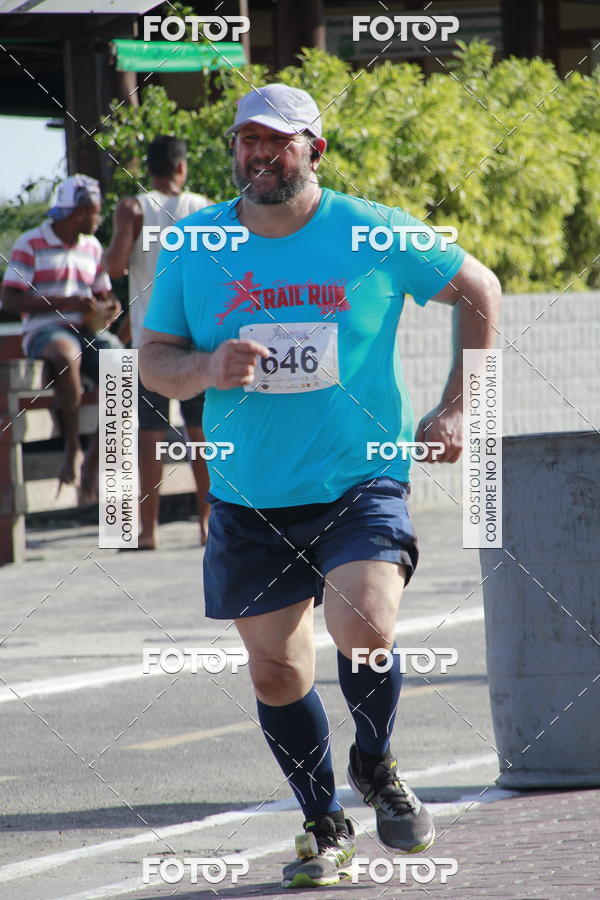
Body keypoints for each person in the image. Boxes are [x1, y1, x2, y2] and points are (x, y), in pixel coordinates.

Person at [139, 84, 501, 888]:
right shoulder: (196, 243)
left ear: (314, 150)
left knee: (365, 623)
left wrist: (459, 407)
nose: (257, 155)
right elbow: (153, 355)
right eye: (245, 141)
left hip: (358, 479)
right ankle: (321, 821)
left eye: (276, 141)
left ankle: (375, 762)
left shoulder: (369, 230)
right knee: (276, 672)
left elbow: (480, 289)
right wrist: (203, 367)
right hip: (248, 495)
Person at [103, 136, 212, 548]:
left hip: (150, 342)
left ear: (148, 170)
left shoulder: (133, 208)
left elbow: (113, 266)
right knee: (202, 433)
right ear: (182, 168)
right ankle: (206, 524)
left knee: (148, 436)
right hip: (198, 342)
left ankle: (147, 531)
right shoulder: (203, 208)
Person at [1, 174, 122, 501]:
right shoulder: (31, 243)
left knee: (123, 366)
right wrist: (65, 302)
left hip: (85, 330)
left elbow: (104, 293)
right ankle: (72, 447)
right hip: (44, 330)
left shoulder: (92, 247)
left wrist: (111, 306)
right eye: (96, 212)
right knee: (67, 354)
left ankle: (93, 461)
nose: (99, 218)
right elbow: (10, 299)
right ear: (79, 213)